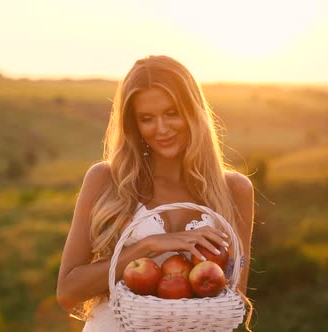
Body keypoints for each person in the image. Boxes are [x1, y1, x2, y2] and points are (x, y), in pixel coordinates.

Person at [56, 55, 254, 331]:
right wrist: (146, 247)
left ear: (192, 111)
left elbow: (233, 295)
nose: (161, 129)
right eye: (147, 118)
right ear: (134, 125)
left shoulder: (234, 190)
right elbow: (67, 293)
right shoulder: (106, 180)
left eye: (172, 113)